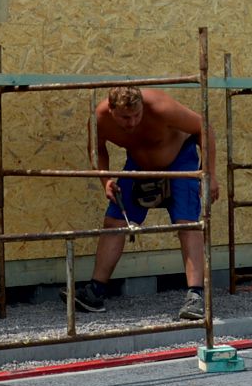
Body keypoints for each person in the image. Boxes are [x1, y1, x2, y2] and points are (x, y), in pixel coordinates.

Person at [70, 86, 218, 320]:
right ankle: (95, 291)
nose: (132, 122)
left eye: (136, 115)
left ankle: (196, 296)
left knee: (187, 224)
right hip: (138, 163)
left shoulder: (161, 107)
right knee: (114, 222)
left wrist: (209, 174)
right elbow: (97, 148)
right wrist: (105, 180)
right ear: (111, 110)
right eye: (125, 117)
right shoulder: (99, 119)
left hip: (180, 159)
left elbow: (205, 128)